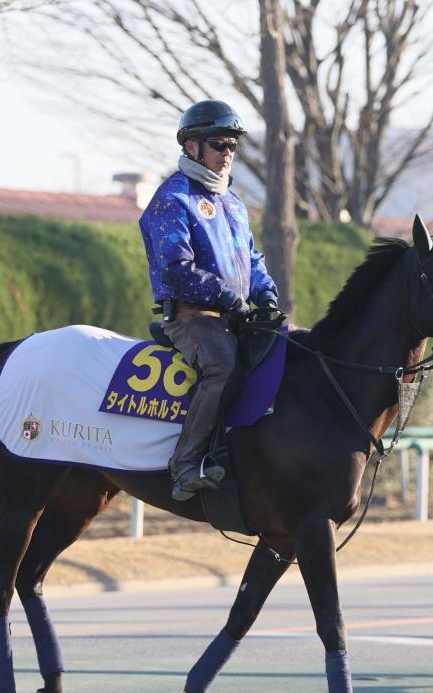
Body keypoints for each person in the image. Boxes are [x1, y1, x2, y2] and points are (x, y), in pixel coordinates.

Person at [139, 100, 279, 501]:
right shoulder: (173, 197)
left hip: (230, 315)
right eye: (219, 144)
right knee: (222, 366)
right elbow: (174, 267)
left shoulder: (233, 203)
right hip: (191, 317)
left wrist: (266, 294)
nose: (228, 153)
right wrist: (224, 295)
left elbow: (252, 258)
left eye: (233, 146)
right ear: (191, 148)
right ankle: (185, 465)